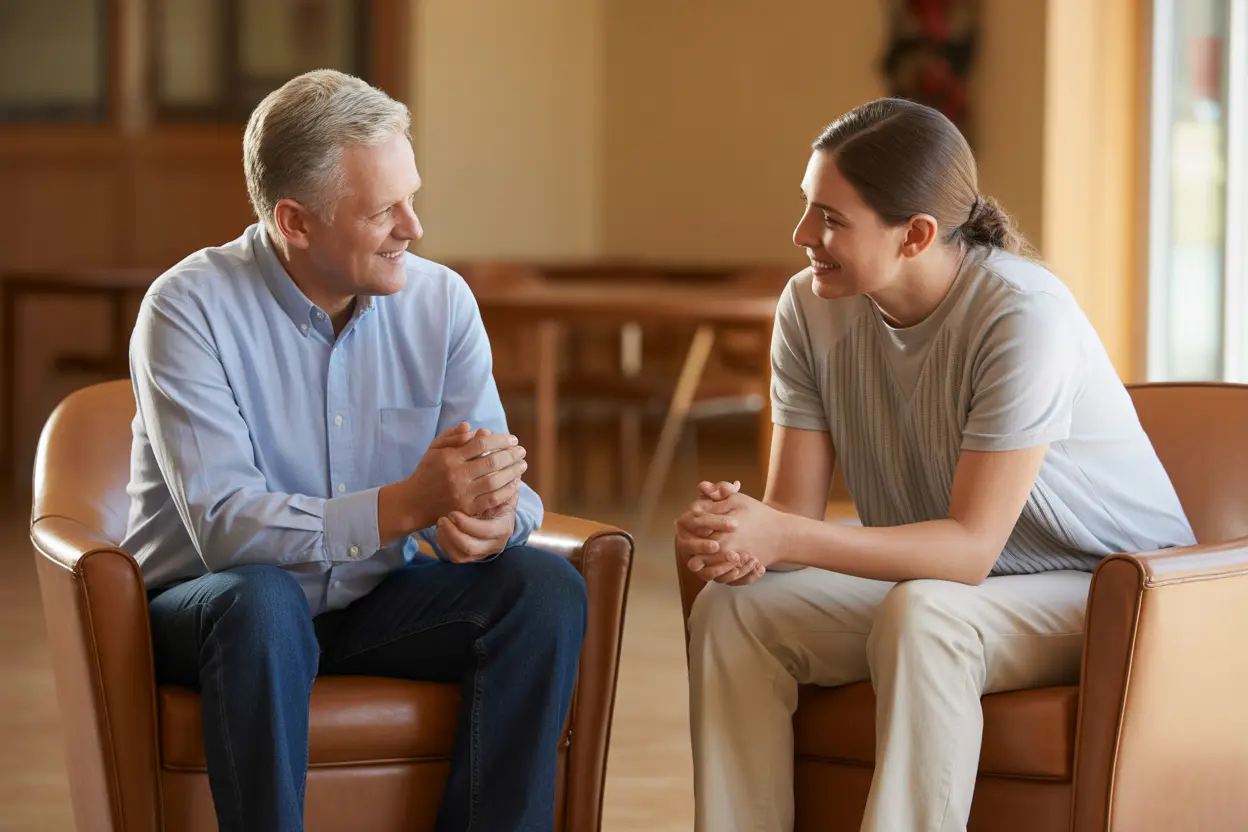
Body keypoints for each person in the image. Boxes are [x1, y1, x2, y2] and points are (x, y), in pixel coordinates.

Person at [676, 98, 1195, 832]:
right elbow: (791, 515)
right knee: (737, 613)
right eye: (806, 207)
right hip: (951, 583)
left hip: (1115, 590)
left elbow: (970, 547)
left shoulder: (1022, 315)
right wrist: (741, 530)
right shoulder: (810, 308)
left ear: (916, 234)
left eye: (831, 218)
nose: (802, 237)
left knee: (928, 615)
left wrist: (784, 538)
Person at [122, 69, 587, 832]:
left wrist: (496, 522)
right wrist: (410, 503)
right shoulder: (186, 309)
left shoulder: (442, 303)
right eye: (384, 211)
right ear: (295, 222)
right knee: (262, 600)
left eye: (414, 197)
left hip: (375, 601)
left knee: (543, 589)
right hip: (213, 609)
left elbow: (501, 484)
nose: (415, 227)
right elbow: (226, 529)